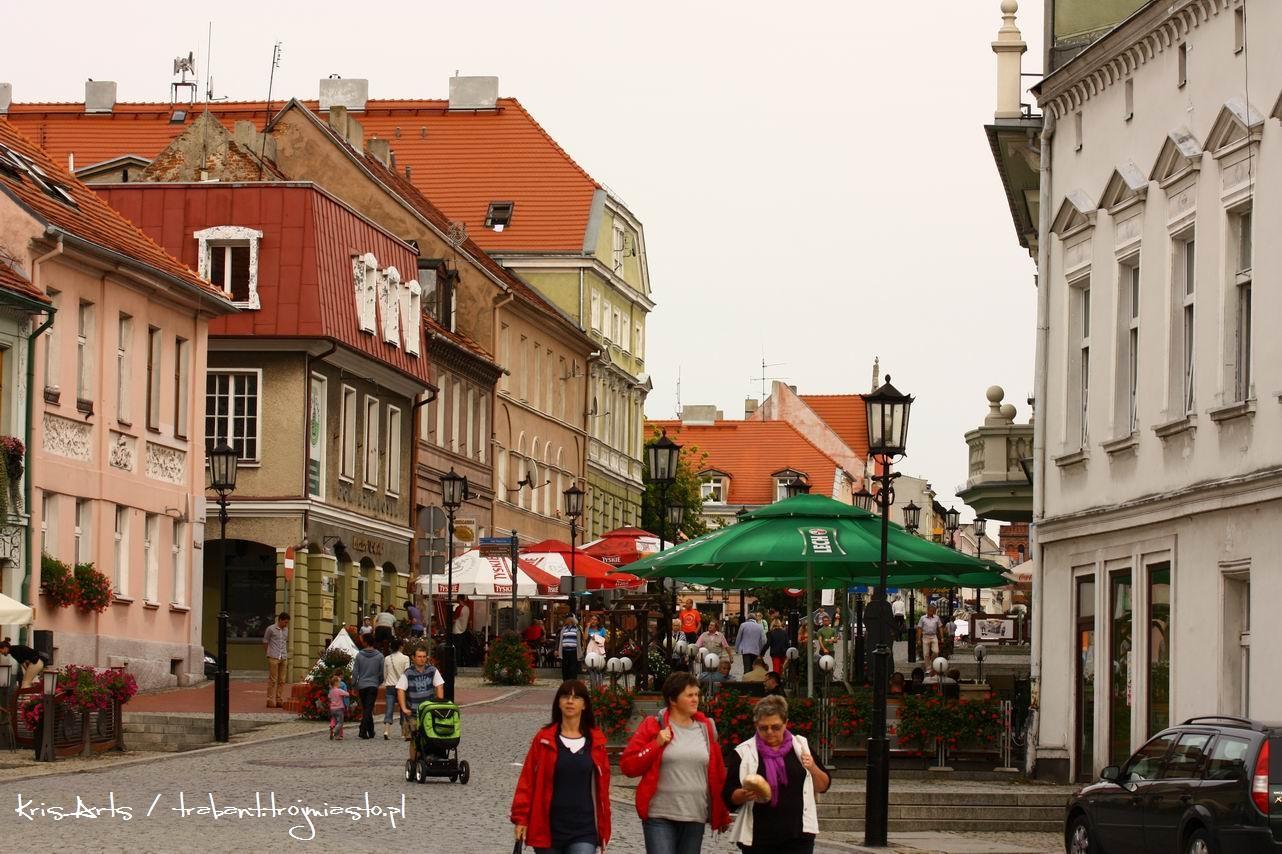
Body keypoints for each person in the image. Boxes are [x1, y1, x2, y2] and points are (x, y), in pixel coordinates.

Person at [620, 672, 731, 853]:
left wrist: (721, 812)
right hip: (659, 815)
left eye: (697, 694)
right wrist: (656, 744)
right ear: (672, 699)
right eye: (689, 695)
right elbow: (628, 766)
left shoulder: (706, 729)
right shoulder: (654, 725)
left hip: (695, 815)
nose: (695, 699)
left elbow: (717, 773)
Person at [511, 680, 612, 854]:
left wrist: (604, 824)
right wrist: (521, 818)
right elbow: (527, 781)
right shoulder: (544, 739)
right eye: (565, 696)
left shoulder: (596, 741)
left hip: (584, 828)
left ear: (584, 705)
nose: (570, 701)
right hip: (548, 828)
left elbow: (603, 788)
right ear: (558, 702)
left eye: (576, 697)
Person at [723, 694, 832, 854]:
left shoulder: (801, 747)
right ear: (756, 724)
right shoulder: (743, 752)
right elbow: (729, 796)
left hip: (798, 836)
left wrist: (812, 767)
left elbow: (823, 786)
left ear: (786, 723)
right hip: (759, 836)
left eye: (776, 727)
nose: (769, 732)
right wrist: (744, 794)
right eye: (763, 728)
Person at [396, 646, 445, 764]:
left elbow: (439, 686)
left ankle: (432, 757)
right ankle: (414, 763)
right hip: (414, 712)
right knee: (415, 739)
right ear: (413, 658)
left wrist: (439, 702)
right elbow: (400, 689)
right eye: (419, 657)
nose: (422, 659)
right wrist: (404, 708)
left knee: (433, 735)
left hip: (429, 711)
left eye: (424, 656)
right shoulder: (408, 673)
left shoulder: (432, 670)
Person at [351, 633, 385, 739]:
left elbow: (355, 672)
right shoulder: (380, 656)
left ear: (365, 642)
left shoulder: (359, 655)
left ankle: (370, 731)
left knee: (366, 708)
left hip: (362, 685)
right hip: (373, 685)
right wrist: (379, 682)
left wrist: (354, 685)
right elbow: (381, 672)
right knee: (368, 708)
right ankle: (364, 730)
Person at [382, 638, 410, 741]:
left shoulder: (387, 658)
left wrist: (387, 681)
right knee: (403, 709)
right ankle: (403, 732)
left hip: (390, 686)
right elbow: (407, 673)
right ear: (401, 646)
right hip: (401, 687)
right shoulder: (405, 658)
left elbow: (385, 674)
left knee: (389, 708)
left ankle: (386, 730)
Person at [263, 612, 290, 708]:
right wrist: (268, 654)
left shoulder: (286, 630)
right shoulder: (270, 629)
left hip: (283, 657)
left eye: (287, 622)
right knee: (273, 680)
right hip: (273, 656)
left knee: (282, 680)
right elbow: (265, 641)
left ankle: (279, 699)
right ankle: (269, 700)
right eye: (285, 622)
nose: (286, 624)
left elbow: (284, 642)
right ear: (280, 620)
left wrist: (285, 655)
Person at [559, 616, 582, 682]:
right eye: (567, 618)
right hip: (564, 651)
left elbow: (579, 641)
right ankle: (565, 682)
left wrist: (580, 651)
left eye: (570, 618)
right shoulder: (563, 629)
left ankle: (573, 682)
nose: (568, 620)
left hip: (573, 651)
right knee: (565, 668)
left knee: (573, 668)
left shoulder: (577, 629)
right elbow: (560, 640)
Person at [327, 674, 350, 740]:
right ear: (336, 683)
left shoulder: (331, 691)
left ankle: (337, 736)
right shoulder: (339, 690)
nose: (340, 684)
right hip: (339, 708)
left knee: (335, 721)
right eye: (339, 682)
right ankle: (334, 731)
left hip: (332, 709)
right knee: (340, 722)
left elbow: (329, 697)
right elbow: (347, 694)